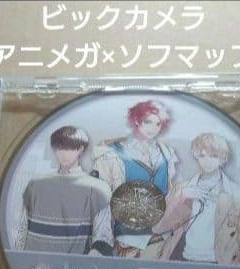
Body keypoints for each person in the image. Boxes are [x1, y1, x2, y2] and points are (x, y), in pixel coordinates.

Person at [152, 132, 240, 265]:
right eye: (202, 155)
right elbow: (158, 228)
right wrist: (181, 197)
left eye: (214, 156)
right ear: (196, 156)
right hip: (182, 260)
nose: (207, 161)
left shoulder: (239, 194)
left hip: (220, 265)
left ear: (223, 159)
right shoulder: (182, 189)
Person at [92, 100, 178, 258]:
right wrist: (101, 242)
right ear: (137, 120)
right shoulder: (111, 154)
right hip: (125, 238)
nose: (153, 128)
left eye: (158, 124)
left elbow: (170, 194)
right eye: (148, 122)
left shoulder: (166, 154)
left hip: (159, 238)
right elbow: (101, 202)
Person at [16, 126, 113, 256]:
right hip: (32, 262)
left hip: (73, 266)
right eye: (60, 148)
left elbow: (103, 236)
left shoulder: (97, 189)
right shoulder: (36, 184)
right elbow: (22, 228)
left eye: (70, 148)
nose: (64, 154)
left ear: (80, 149)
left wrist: (89, 260)